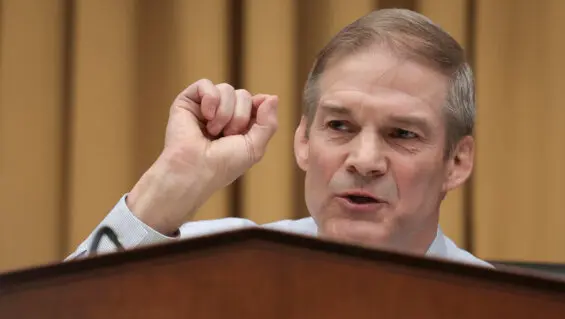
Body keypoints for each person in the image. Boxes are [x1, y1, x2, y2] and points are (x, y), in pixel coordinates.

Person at [68, 8, 491, 268]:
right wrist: (170, 185)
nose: (364, 161)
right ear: (303, 139)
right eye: (339, 126)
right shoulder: (219, 265)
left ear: (456, 161)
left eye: (402, 134)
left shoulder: (506, 318)